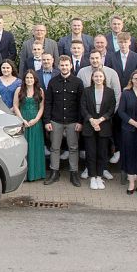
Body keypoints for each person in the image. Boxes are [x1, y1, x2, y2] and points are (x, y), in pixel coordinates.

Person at [44, 56, 85, 186]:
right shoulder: (53, 82)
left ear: (71, 66)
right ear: (58, 66)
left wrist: (80, 121)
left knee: (73, 148)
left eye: (67, 65)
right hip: (56, 120)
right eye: (62, 65)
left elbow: (81, 104)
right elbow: (48, 103)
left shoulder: (78, 82)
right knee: (54, 148)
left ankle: (74, 173)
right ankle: (54, 172)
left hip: (73, 120)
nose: (64, 67)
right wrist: (47, 121)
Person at [80, 69, 117, 190]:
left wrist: (100, 120)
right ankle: (92, 177)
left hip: (104, 125)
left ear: (104, 78)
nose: (98, 78)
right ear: (92, 78)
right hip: (89, 125)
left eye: (100, 76)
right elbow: (83, 107)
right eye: (96, 76)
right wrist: (91, 120)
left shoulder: (110, 92)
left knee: (102, 153)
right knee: (91, 153)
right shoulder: (86, 91)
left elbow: (111, 109)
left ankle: (99, 177)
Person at [13, 70, 46, 182]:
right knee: (23, 148)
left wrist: (36, 119)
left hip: (35, 123)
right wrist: (22, 119)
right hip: (22, 122)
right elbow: (15, 106)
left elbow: (41, 107)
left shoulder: (40, 91)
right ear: (24, 79)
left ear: (35, 79)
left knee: (35, 147)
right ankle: (23, 175)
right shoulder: (19, 90)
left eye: (31, 78)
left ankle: (35, 174)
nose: (29, 80)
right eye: (27, 78)